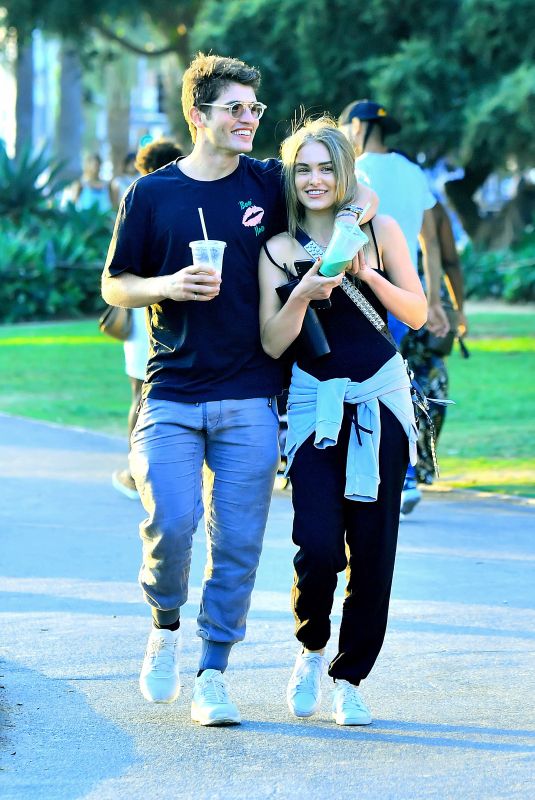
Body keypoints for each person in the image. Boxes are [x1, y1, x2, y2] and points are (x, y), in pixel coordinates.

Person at [101, 52, 379, 726]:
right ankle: (164, 622)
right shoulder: (151, 194)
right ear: (199, 116)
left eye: (254, 109)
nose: (249, 118)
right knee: (169, 520)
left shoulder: (266, 181)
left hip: (252, 393)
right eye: (235, 109)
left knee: (237, 545)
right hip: (170, 391)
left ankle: (212, 673)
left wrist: (361, 200)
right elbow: (115, 284)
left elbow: (339, 187)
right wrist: (166, 286)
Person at [258, 118, 426, 725]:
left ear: (345, 172)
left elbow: (418, 310)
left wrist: (366, 274)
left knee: (374, 549)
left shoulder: (379, 230)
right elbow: (274, 344)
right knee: (320, 544)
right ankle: (309, 648)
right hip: (314, 405)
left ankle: (349, 677)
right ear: (290, 176)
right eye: (303, 169)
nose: (315, 179)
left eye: (326, 167)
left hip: (380, 399)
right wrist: (304, 292)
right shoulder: (277, 249)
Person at [338, 99, 449, 515]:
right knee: (395, 378)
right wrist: (434, 300)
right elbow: (431, 242)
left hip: (364, 288)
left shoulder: (356, 170)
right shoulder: (413, 171)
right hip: (407, 292)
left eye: (348, 127)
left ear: (359, 127)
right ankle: (401, 475)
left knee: (373, 383)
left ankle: (396, 476)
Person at [111, 139, 184, 500]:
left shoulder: (139, 197)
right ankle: (140, 468)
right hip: (153, 314)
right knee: (146, 393)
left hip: (144, 315)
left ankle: (135, 467)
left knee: (139, 393)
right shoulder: (150, 199)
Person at [401, 197, 468, 485]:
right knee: (430, 374)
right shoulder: (431, 205)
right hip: (426, 297)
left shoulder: (365, 187)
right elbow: (450, 259)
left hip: (398, 292)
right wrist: (458, 308)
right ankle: (417, 466)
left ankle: (412, 467)